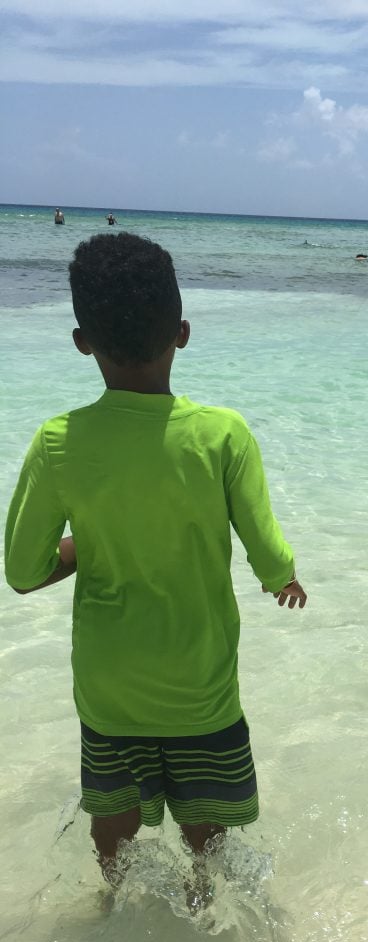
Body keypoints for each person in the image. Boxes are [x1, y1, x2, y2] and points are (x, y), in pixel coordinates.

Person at [4, 232, 307, 907]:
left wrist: (90, 541)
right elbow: (262, 539)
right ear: (183, 332)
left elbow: (22, 570)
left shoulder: (58, 443)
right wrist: (281, 576)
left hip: (111, 686)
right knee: (204, 816)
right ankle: (203, 894)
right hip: (199, 680)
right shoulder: (223, 434)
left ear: (82, 340)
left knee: (112, 812)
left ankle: (111, 898)